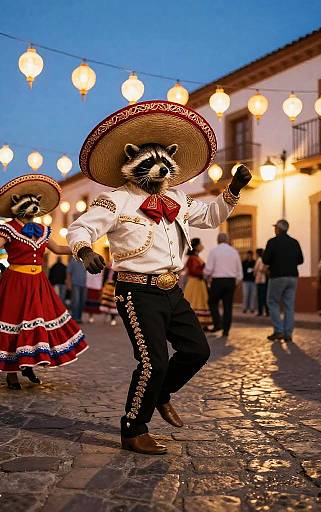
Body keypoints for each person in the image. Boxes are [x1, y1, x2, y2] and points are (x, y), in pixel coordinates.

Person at [67, 100, 251, 455]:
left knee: (197, 350)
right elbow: (80, 228)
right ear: (131, 161)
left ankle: (162, 392)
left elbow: (212, 216)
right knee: (153, 360)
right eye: (148, 163)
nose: (159, 169)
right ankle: (133, 427)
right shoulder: (115, 200)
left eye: (165, 163)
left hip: (172, 289)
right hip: (136, 291)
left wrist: (234, 188)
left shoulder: (178, 198)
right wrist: (85, 251)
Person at [0, 174, 88, 389]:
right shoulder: (7, 228)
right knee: (13, 324)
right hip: (16, 282)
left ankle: (29, 363)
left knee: (37, 324)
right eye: (28, 204)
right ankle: (11, 373)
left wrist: (84, 249)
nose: (34, 208)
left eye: (36, 204)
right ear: (16, 205)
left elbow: (59, 249)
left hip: (38, 283)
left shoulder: (44, 230)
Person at [262, 219, 304, 343]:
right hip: (292, 276)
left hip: (277, 276)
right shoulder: (294, 242)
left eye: (275, 228)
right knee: (289, 306)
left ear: (278, 229)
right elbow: (301, 260)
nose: (274, 229)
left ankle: (279, 330)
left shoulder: (273, 242)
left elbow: (265, 259)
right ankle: (288, 333)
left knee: (272, 302)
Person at [204, 233, 243, 337]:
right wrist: (236, 282)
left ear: (218, 240)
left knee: (212, 302)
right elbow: (239, 272)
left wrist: (206, 276)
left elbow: (208, 269)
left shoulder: (214, 251)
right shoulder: (234, 252)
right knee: (228, 306)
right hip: (230, 281)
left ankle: (218, 323)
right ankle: (226, 330)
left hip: (217, 281)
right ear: (227, 240)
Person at [183, 238, 211, 329]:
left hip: (199, 283)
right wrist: (203, 270)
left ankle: (202, 322)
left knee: (201, 300)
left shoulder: (197, 257)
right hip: (195, 282)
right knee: (195, 301)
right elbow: (194, 270)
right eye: (200, 244)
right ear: (196, 246)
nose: (202, 246)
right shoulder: (192, 258)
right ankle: (195, 322)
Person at [67, 257, 87, 323]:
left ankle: (79, 317)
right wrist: (69, 284)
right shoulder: (73, 261)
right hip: (75, 284)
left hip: (83, 285)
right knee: (76, 301)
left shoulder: (84, 262)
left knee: (82, 301)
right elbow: (68, 273)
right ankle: (75, 318)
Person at [254, 248, 269, 316]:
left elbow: (255, 269)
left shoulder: (259, 260)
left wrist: (255, 273)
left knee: (260, 297)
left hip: (260, 280)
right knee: (265, 296)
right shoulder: (266, 260)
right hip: (266, 280)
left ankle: (260, 312)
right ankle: (267, 311)